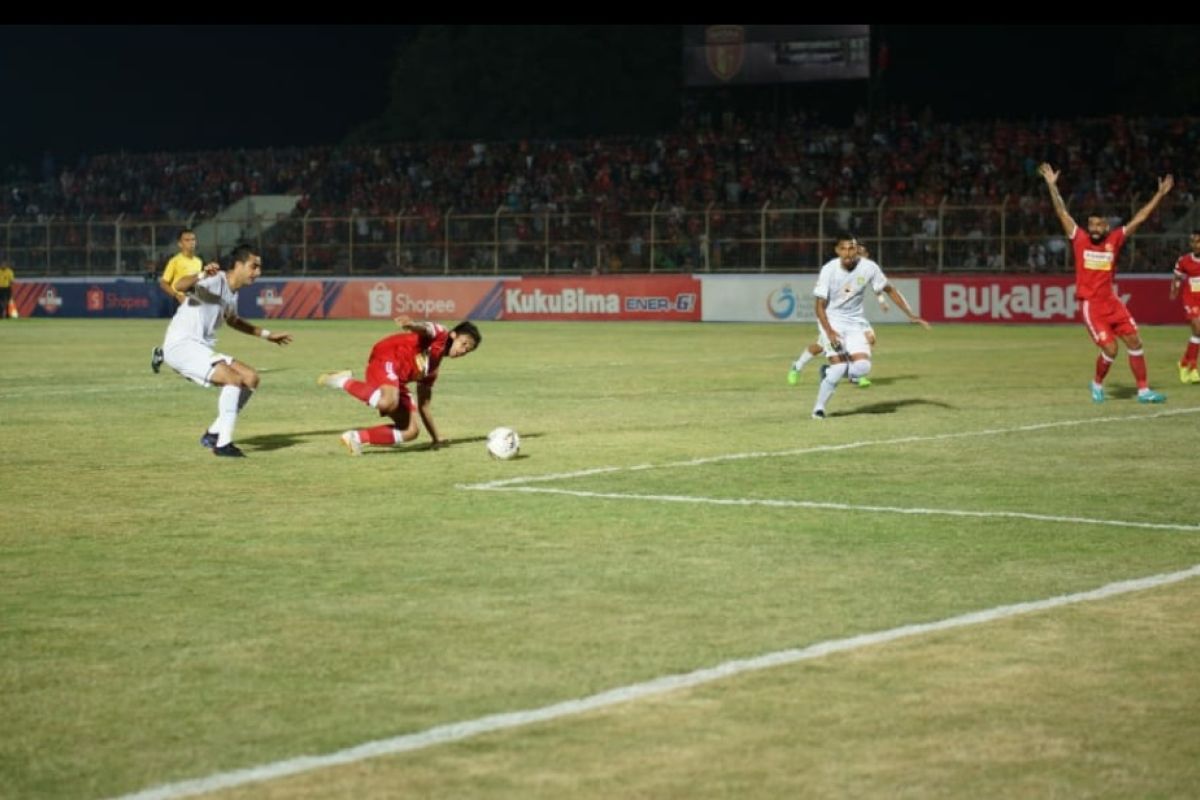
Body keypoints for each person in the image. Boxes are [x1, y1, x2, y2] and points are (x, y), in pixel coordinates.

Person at [1039, 163, 1172, 403]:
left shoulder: (1115, 239)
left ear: (1106, 226)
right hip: (1092, 305)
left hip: (1112, 302)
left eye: (1099, 225)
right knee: (1111, 350)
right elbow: (1062, 213)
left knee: (1135, 340)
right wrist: (1052, 186)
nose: (1094, 229)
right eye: (1091, 224)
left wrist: (1160, 194)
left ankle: (1143, 391)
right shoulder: (1079, 239)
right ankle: (1097, 383)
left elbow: (1140, 218)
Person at [161, 244, 292, 457]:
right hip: (181, 345)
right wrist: (202, 273)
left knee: (250, 378)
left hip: (199, 347)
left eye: (259, 267)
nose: (257, 273)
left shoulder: (233, 293)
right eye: (253, 267)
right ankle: (223, 444)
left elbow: (233, 321)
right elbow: (180, 284)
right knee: (233, 379)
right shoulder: (214, 280)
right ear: (238, 265)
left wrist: (268, 335)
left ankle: (213, 434)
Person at [317, 316, 481, 455]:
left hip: (396, 381)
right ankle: (341, 380)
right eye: (464, 343)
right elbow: (425, 328)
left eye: (468, 350)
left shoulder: (431, 370)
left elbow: (424, 407)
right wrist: (412, 325)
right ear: (454, 335)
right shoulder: (441, 334)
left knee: (410, 431)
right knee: (388, 402)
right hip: (388, 356)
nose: (464, 350)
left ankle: (355, 438)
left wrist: (436, 438)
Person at [810, 235, 930, 420]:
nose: (849, 253)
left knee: (862, 368)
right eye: (844, 249)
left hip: (855, 323)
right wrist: (830, 332)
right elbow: (819, 306)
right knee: (840, 368)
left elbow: (889, 289)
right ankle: (819, 409)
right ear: (837, 251)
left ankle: (826, 371)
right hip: (832, 321)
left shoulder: (869, 268)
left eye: (852, 248)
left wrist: (910, 314)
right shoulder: (829, 270)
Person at [788, 242, 889, 388]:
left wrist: (881, 300)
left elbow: (877, 286)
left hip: (853, 318)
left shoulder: (865, 270)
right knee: (820, 347)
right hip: (833, 317)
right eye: (860, 253)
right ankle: (797, 367)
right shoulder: (838, 271)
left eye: (864, 253)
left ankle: (856, 375)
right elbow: (837, 294)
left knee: (869, 339)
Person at [152, 229, 203, 373]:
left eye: (193, 240)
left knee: (190, 333)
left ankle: (162, 354)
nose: (191, 243)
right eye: (187, 240)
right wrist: (176, 295)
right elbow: (163, 283)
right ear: (180, 244)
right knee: (186, 333)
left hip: (194, 300)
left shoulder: (198, 262)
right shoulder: (175, 261)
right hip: (180, 301)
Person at [1168, 230, 1200, 384]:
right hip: (1191, 300)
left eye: (1198, 241)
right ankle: (1193, 368)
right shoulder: (1184, 261)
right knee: (1198, 329)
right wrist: (1174, 290)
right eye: (1193, 242)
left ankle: (1183, 363)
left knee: (1197, 335)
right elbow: (1177, 277)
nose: (1195, 245)